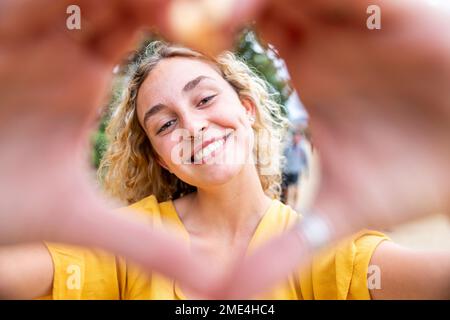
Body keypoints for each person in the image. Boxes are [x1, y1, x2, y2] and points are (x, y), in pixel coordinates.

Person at [1, 0, 450, 299]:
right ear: (159, 155)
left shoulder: (325, 249)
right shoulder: (121, 243)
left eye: (205, 99)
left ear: (248, 108)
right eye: (166, 124)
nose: (193, 126)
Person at [281, 130, 309, 208]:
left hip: (295, 171)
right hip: (287, 171)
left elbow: (305, 160)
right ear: (293, 137)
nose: (297, 138)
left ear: (300, 138)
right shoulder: (287, 147)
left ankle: (294, 206)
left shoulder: (302, 149)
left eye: (298, 136)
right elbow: (283, 158)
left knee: (296, 189)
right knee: (285, 189)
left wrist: (307, 171)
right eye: (295, 136)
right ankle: (285, 204)